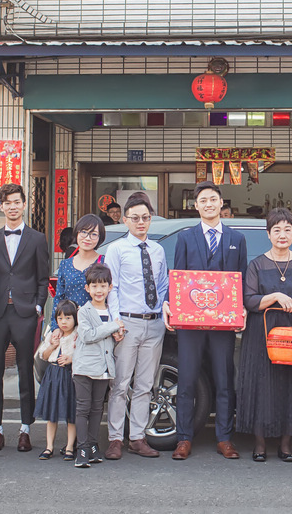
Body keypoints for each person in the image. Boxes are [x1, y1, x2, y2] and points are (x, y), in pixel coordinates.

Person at [164, 181, 247, 460]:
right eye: (203, 200)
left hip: (223, 323)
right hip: (190, 322)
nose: (209, 204)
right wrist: (170, 305)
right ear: (196, 205)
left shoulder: (237, 239)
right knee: (186, 379)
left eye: (213, 199)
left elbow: (241, 279)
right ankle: (184, 438)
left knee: (225, 380)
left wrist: (242, 308)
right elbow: (178, 277)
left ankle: (224, 438)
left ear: (221, 203)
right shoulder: (186, 238)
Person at [237, 208, 292, 462]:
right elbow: (249, 301)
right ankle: (260, 444)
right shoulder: (257, 265)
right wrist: (274, 297)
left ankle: (285, 445)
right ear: (268, 234)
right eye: (277, 230)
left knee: (291, 386)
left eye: (287, 230)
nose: (282, 235)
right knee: (262, 387)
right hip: (262, 335)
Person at [0, 183, 50, 453]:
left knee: (24, 373)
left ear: (24, 204)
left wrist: (37, 307)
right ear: (1, 206)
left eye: (16, 201)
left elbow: (43, 278)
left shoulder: (37, 238)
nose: (12, 206)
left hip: (24, 314)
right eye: (7, 202)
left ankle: (25, 429)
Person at [103, 195, 169, 460]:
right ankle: (115, 439)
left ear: (150, 220)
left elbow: (163, 285)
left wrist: (164, 314)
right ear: (126, 220)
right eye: (135, 218)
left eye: (145, 217)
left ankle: (138, 438)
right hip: (127, 324)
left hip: (154, 324)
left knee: (145, 385)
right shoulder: (116, 250)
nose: (141, 222)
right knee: (120, 384)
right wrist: (115, 322)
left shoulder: (158, 250)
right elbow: (112, 287)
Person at [72, 264, 124, 468]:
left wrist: (119, 334)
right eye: (94, 286)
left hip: (104, 368)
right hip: (85, 368)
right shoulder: (84, 311)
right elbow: (87, 335)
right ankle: (81, 448)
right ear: (87, 289)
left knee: (96, 409)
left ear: (110, 287)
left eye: (103, 286)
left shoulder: (112, 311)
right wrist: (113, 326)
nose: (99, 290)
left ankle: (93, 445)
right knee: (83, 408)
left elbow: (109, 339)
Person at [34, 300, 79, 461]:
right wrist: (52, 346)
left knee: (71, 413)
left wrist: (71, 359)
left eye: (68, 318)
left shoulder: (77, 336)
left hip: (69, 375)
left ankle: (69, 447)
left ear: (75, 319)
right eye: (60, 318)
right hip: (53, 375)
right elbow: (43, 356)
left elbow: (83, 354)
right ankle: (49, 446)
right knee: (51, 412)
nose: (64, 322)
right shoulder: (53, 335)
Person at [51, 214, 106, 325]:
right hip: (69, 326)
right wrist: (55, 326)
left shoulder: (104, 263)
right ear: (77, 233)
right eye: (84, 232)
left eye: (93, 234)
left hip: (95, 325)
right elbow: (58, 299)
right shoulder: (65, 264)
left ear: (100, 238)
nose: (87, 238)